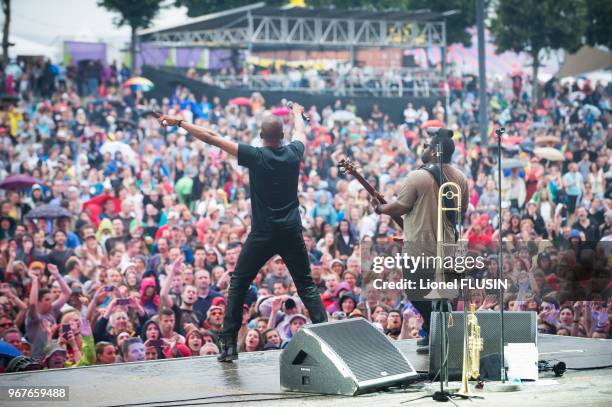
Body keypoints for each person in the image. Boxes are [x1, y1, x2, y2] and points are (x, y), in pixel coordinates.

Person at [158, 103, 327, 363]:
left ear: (261, 136)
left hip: (263, 233)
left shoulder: (255, 155)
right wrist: (297, 113)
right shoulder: (294, 153)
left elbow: (210, 137)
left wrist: (179, 123)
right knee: (305, 284)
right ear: (282, 136)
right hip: (291, 230)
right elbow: (301, 133)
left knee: (239, 282)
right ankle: (326, 336)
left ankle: (228, 344)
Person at [371, 129, 468, 348]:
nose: (423, 149)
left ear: (435, 152)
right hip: (448, 247)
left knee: (415, 292)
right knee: (443, 294)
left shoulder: (417, 176)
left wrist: (380, 208)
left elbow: (401, 206)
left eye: (426, 146)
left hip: (419, 248)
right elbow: (462, 211)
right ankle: (438, 333)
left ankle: (432, 330)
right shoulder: (461, 178)